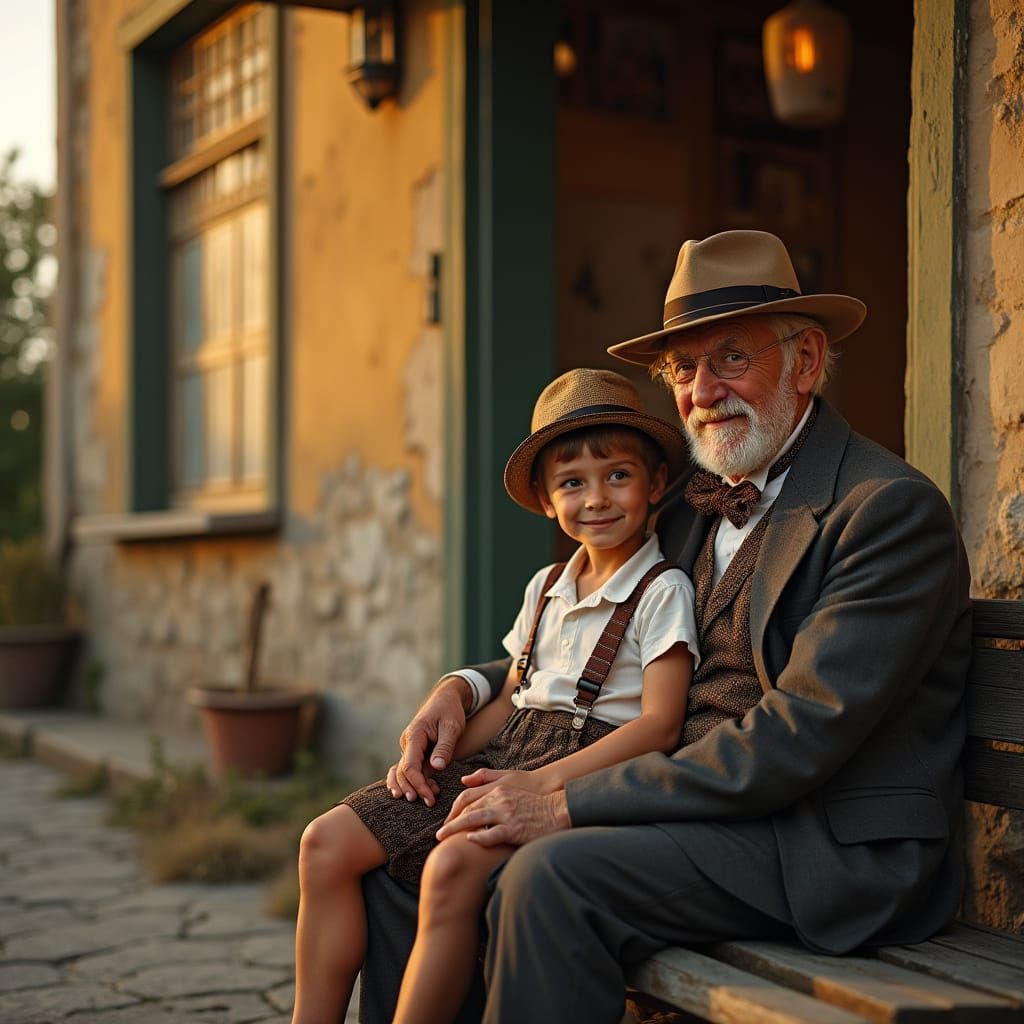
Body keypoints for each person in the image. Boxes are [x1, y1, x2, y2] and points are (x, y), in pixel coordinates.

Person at [359, 229, 973, 1024]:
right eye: (683, 368)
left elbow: (797, 741)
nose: (703, 390)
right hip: (684, 809)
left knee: (546, 877)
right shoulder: (691, 499)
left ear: (807, 360)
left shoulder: (888, 512)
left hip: (818, 842)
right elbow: (584, 632)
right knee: (399, 851)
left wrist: (562, 801)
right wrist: (460, 687)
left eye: (731, 358)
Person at [291, 368, 701, 1024]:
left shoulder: (662, 591)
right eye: (573, 483)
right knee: (326, 842)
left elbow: (659, 726)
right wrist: (430, 759)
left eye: (618, 475)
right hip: (507, 755)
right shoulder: (546, 586)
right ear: (545, 499)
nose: (596, 498)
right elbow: (515, 696)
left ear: (655, 484)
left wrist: (545, 786)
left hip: (585, 772)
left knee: (451, 867)